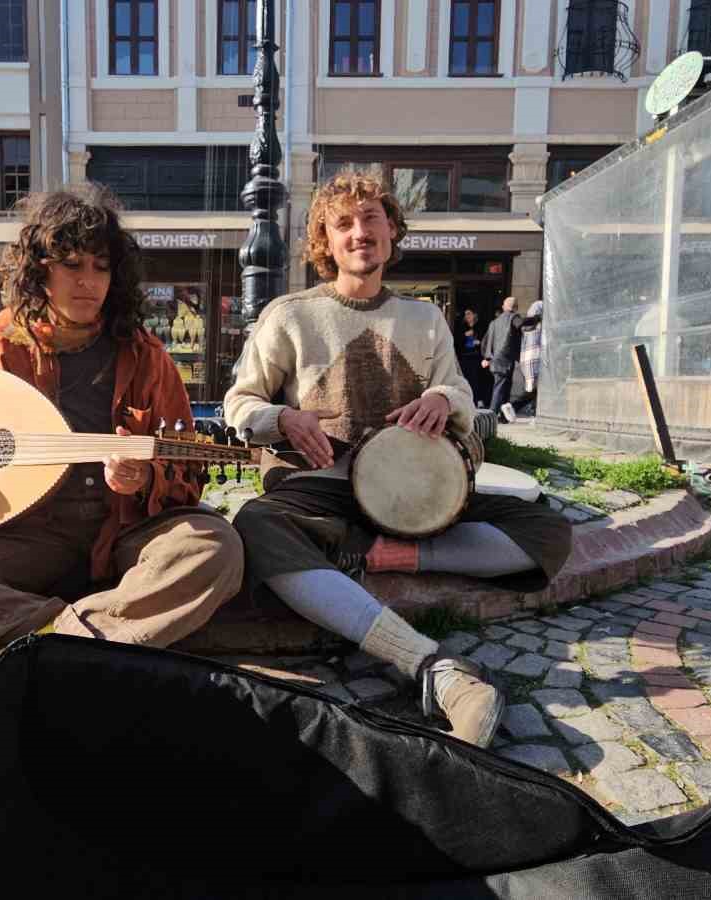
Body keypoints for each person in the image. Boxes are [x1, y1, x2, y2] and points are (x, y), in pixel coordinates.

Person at [0, 184, 244, 733]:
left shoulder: (146, 358)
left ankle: (18, 658)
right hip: (22, 534)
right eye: (71, 264)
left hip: (121, 532)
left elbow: (188, 471)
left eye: (101, 267)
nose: (88, 281)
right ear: (38, 269)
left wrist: (142, 479)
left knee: (215, 547)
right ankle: (86, 642)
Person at [223, 169, 573, 747]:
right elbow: (239, 403)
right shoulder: (288, 315)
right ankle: (431, 667)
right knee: (257, 525)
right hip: (322, 489)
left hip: (412, 499)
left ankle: (399, 555)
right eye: (343, 224)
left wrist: (442, 400)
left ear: (391, 231)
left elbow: (461, 395)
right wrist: (281, 418)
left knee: (549, 530)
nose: (359, 232)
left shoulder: (424, 318)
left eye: (371, 219)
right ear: (325, 241)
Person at [481, 297, 519, 418]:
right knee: (500, 387)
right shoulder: (513, 318)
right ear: (516, 307)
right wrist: (537, 318)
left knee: (504, 387)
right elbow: (522, 324)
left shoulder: (494, 322)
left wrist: (486, 357)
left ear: (503, 307)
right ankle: (492, 414)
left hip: (496, 359)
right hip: (505, 359)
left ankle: (503, 416)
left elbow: (485, 341)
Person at [517, 300, 546, 417]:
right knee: (537, 388)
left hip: (525, 360)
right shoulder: (541, 326)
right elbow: (545, 342)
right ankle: (532, 410)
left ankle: (530, 409)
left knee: (530, 388)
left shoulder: (525, 326)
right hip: (537, 358)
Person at [455, 307, 488, 407]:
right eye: (466, 314)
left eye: (469, 313)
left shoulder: (481, 327)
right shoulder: (462, 327)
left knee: (477, 379)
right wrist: (464, 335)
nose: (467, 316)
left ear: (475, 315)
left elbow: (487, 340)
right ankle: (466, 400)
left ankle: (478, 400)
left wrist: (479, 342)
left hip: (477, 357)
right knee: (466, 379)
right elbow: (456, 341)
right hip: (465, 357)